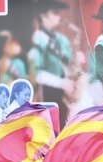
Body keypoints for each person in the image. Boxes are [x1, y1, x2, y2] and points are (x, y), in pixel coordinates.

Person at [28, 0, 72, 128]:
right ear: (43, 15)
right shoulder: (38, 38)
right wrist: (61, 83)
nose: (59, 16)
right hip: (46, 93)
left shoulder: (59, 39)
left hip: (62, 94)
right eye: (54, 12)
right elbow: (35, 73)